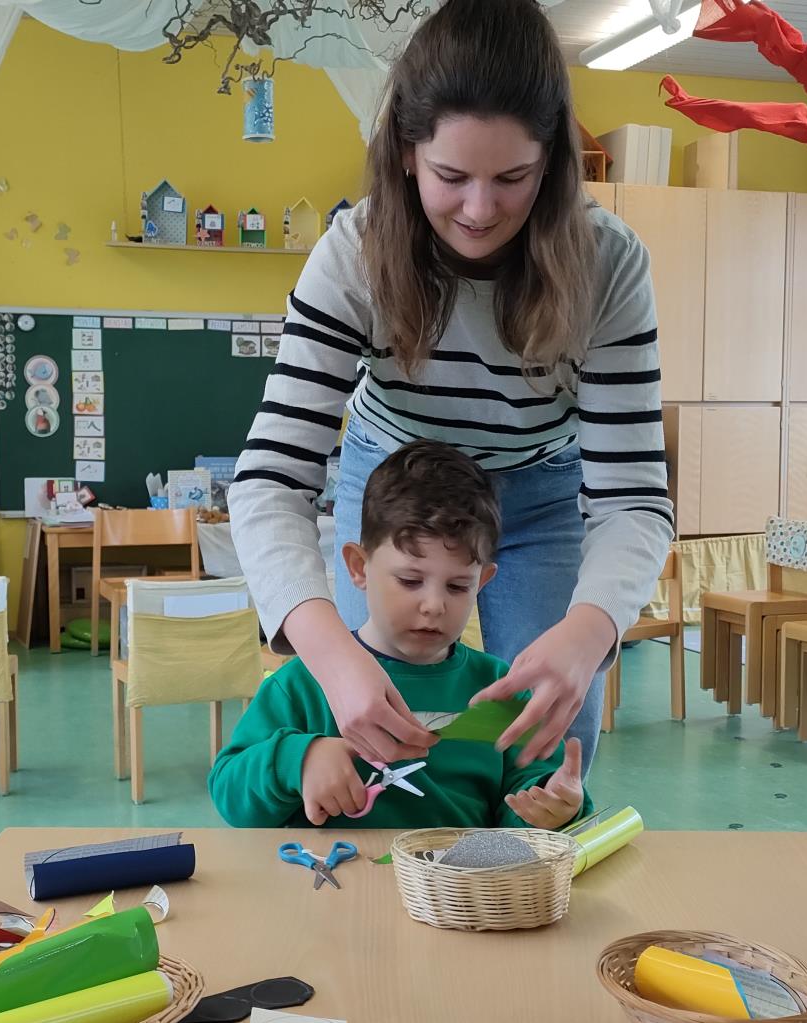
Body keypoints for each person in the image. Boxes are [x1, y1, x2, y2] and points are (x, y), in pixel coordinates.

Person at [227, 0, 672, 778]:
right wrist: (330, 653)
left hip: (539, 486)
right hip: (392, 473)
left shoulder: (608, 264)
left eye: (512, 178)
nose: (479, 210)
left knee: (550, 738)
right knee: (367, 722)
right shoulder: (353, 256)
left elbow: (632, 498)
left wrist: (587, 633)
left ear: (552, 164)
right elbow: (270, 478)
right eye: (451, 176)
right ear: (406, 153)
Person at [212, 441, 589, 830]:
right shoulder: (303, 683)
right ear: (358, 567)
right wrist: (298, 760)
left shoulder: (500, 689)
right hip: (334, 870)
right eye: (410, 580)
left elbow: (530, 797)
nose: (433, 605)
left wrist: (553, 807)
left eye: (458, 586)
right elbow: (228, 792)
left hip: (459, 871)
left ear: (482, 582)